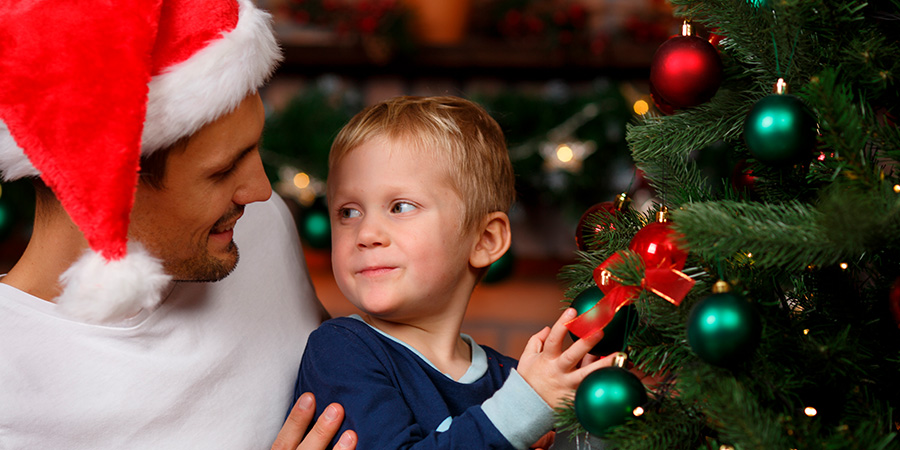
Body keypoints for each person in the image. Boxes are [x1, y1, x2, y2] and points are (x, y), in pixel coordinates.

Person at [0, 0, 353, 448]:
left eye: (255, 147)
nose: (262, 191)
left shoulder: (261, 230)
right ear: (106, 186)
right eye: (223, 171)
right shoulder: (11, 387)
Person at [293, 96, 614, 449]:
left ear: (485, 240)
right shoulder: (341, 351)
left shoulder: (511, 380)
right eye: (348, 212)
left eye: (400, 207)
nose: (366, 234)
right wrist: (523, 409)